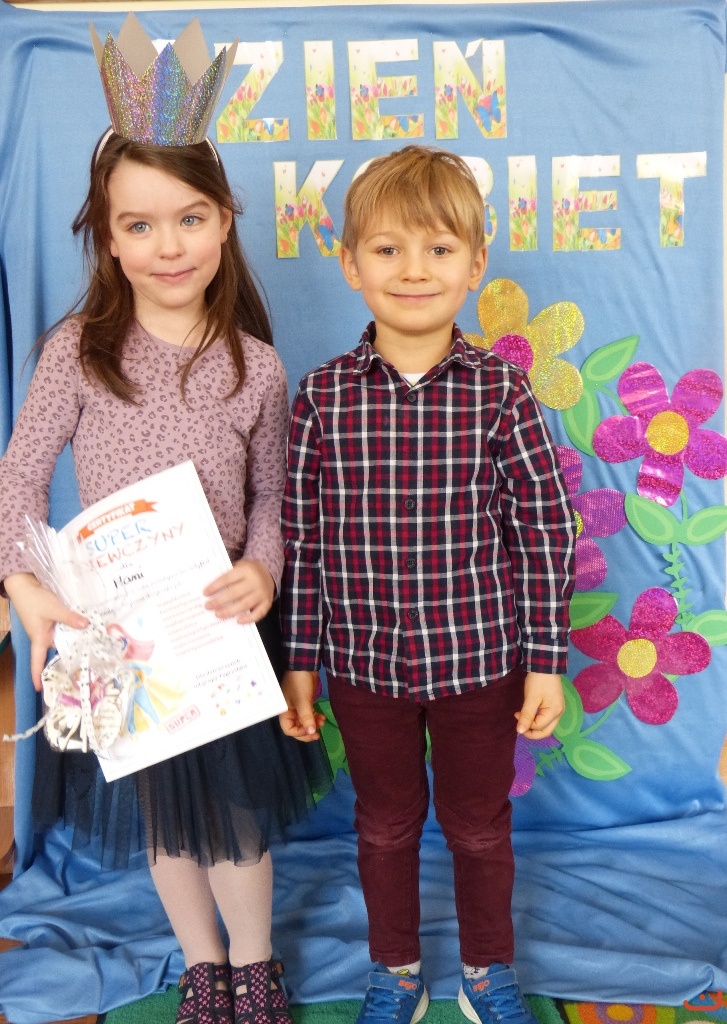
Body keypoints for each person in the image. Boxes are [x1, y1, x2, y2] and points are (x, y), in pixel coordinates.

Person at [0, 17, 330, 1024]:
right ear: (107, 236)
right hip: (119, 634)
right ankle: (203, 965)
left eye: (188, 218)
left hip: (219, 625)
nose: (167, 244)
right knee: (163, 820)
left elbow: (274, 498)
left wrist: (263, 570)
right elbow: (17, 483)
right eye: (138, 225)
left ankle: (256, 965)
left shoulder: (255, 366)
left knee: (235, 815)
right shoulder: (78, 352)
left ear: (225, 219)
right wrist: (26, 590)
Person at [279, 145, 575, 1024]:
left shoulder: (501, 393)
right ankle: (395, 970)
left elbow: (543, 529)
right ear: (349, 263)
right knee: (382, 824)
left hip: (479, 663)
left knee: (479, 825)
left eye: (439, 249)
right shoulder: (322, 397)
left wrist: (544, 662)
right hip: (363, 668)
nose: (413, 270)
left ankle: (486, 971)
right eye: (388, 249)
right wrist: (301, 664)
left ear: (474, 264)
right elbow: (303, 541)